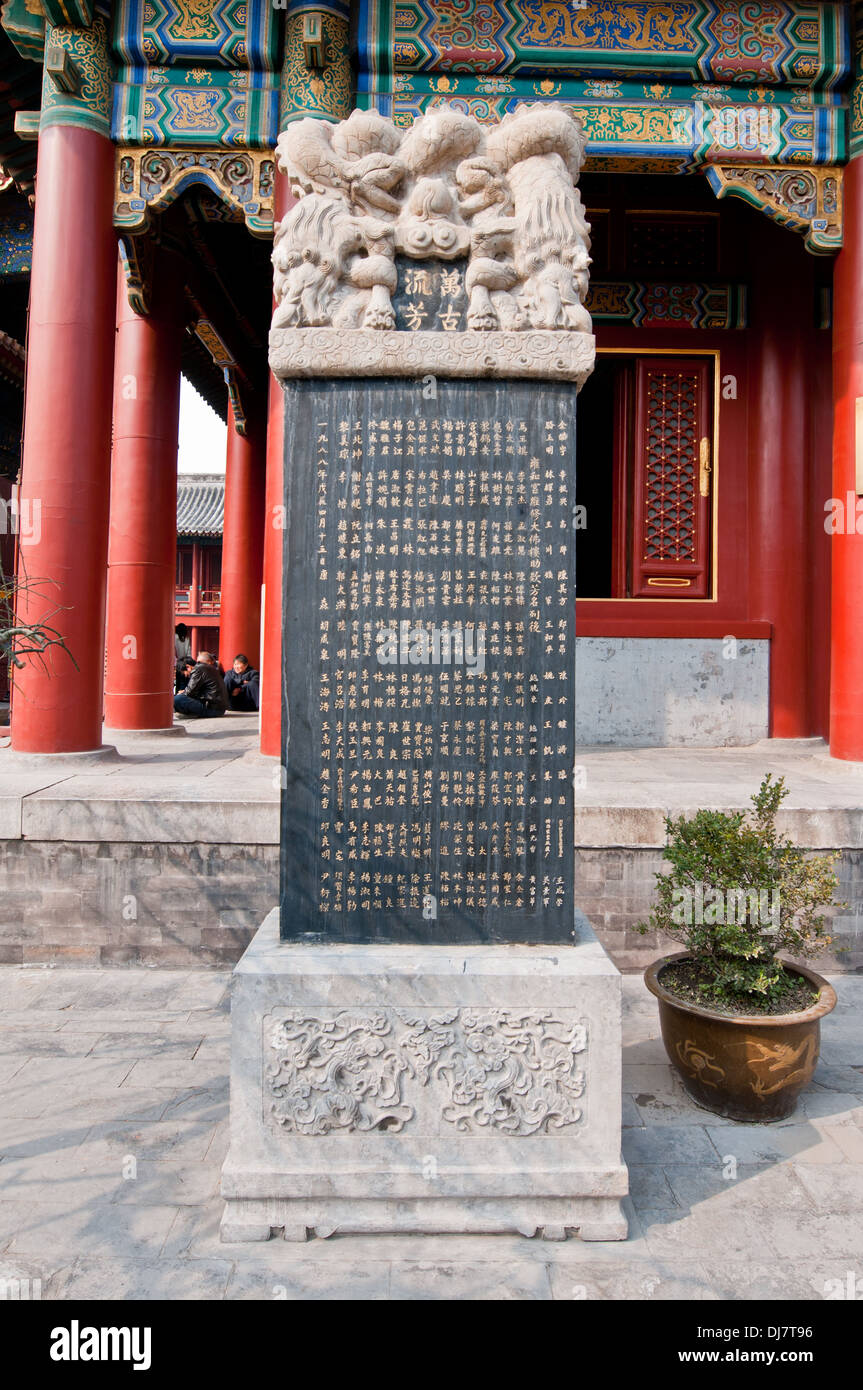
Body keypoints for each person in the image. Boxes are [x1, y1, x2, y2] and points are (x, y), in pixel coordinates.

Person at [173, 652, 229, 719]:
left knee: (176, 699)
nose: (186, 675)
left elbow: (189, 692)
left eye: (184, 673)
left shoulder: (198, 669)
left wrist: (182, 692)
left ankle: (193, 714)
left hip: (212, 709)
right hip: (219, 708)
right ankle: (192, 713)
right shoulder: (209, 668)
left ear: (188, 667)